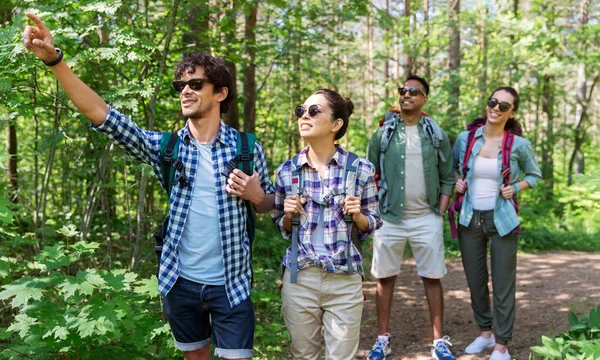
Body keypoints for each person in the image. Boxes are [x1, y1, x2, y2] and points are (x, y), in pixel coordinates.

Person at [23, 13, 275, 360]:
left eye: (196, 84)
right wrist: (55, 60)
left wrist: (258, 196)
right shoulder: (167, 148)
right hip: (181, 282)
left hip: (231, 284)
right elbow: (102, 113)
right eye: (180, 86)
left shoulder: (247, 148)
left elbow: (268, 204)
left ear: (221, 92)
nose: (185, 90)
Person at [271, 89, 382, 360]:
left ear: (336, 124)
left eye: (313, 111)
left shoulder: (361, 169)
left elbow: (373, 223)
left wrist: (358, 216)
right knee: (303, 355)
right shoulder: (287, 171)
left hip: (345, 279)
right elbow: (282, 227)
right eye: (301, 110)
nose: (304, 116)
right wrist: (287, 214)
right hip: (300, 279)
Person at [366, 76, 455, 360]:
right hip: (389, 217)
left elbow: (447, 176)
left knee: (432, 277)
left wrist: (439, 211)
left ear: (424, 99)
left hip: (426, 217)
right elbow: (369, 175)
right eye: (403, 90)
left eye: (414, 91)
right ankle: (382, 339)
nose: (407, 95)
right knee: (385, 277)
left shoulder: (435, 133)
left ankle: (439, 341)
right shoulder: (383, 135)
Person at [452, 87, 541, 360]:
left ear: (512, 112)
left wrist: (516, 186)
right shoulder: (466, 139)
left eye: (504, 106)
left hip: (502, 220)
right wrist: (458, 180)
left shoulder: (518, 145)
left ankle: (502, 345)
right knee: (476, 282)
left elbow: (535, 175)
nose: (496, 108)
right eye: (493, 102)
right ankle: (485, 334)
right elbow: (455, 168)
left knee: (503, 284)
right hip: (469, 218)